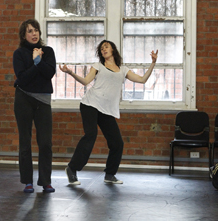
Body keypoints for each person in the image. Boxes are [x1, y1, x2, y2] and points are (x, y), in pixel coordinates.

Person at [59, 40, 158, 185]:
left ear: (113, 49)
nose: (103, 49)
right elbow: (86, 81)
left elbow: (142, 80)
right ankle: (72, 169)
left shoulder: (123, 69)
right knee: (90, 135)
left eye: (106, 46)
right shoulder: (98, 66)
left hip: (106, 110)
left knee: (117, 143)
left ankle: (110, 174)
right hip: (90, 104)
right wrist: (70, 72)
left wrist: (153, 63)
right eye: (101, 48)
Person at [13, 19, 56, 193]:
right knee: (25, 141)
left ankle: (45, 181)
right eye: (30, 31)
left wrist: (38, 61)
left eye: (36, 30)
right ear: (24, 35)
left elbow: (49, 73)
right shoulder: (19, 53)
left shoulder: (48, 51)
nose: (34, 34)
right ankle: (27, 181)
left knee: (45, 143)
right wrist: (35, 62)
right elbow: (22, 78)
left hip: (43, 101)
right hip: (24, 98)